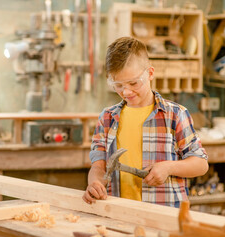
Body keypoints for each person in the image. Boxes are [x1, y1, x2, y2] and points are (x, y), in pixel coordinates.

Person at [82, 37, 208, 208]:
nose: (126, 91)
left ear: (150, 73)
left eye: (133, 83)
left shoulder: (175, 115)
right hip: (119, 212)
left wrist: (168, 168)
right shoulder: (107, 118)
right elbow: (98, 167)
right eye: (118, 85)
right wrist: (95, 183)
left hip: (164, 215)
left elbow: (201, 164)